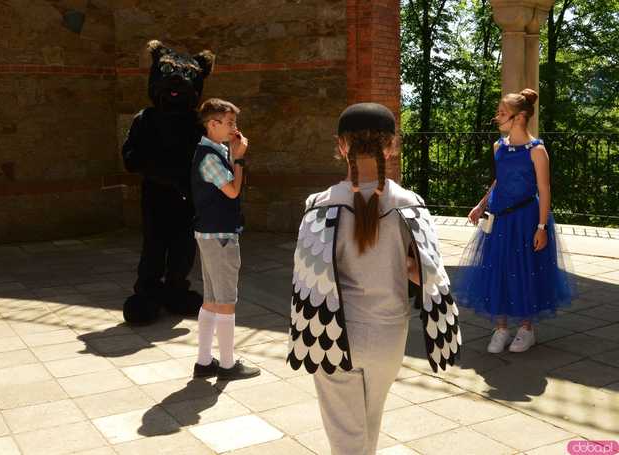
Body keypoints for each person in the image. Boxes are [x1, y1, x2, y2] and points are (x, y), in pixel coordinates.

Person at [287, 103, 461, 454]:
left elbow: (306, 283)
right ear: (391, 145)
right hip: (389, 336)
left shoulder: (320, 205)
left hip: (334, 334)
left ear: (341, 146)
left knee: (345, 437)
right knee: (369, 424)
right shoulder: (411, 204)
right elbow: (427, 276)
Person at [454, 88, 576, 354]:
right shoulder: (499, 146)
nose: (497, 117)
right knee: (497, 268)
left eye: (502, 113)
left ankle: (525, 329)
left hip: (526, 219)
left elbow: (544, 190)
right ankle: (500, 328)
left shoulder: (537, 150)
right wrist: (481, 204)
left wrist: (542, 227)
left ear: (519, 118)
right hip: (499, 219)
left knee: (525, 269)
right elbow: (499, 181)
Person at [191, 98, 260, 381]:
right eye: (230, 123)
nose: (235, 128)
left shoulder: (214, 150)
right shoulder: (208, 156)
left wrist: (233, 153)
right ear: (213, 124)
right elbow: (232, 191)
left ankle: (204, 361)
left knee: (211, 299)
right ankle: (228, 365)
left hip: (210, 234)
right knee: (226, 301)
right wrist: (240, 158)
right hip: (219, 236)